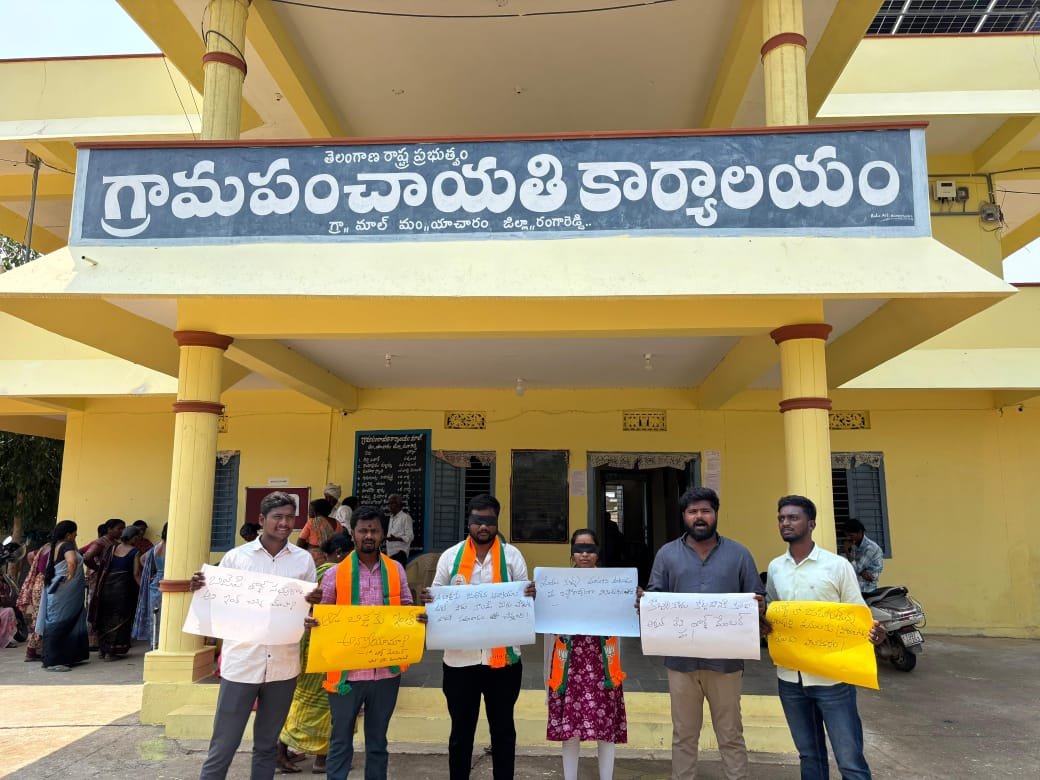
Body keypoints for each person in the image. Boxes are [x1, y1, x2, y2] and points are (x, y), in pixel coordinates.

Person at [194, 491, 318, 780]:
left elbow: (308, 608)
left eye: (290, 517)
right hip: (242, 663)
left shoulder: (303, 561)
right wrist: (202, 589)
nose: (285, 523)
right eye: (277, 517)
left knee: (267, 745)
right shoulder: (236, 558)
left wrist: (312, 613)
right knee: (224, 744)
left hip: (283, 666)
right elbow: (216, 604)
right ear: (262, 520)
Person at [642, 486, 764, 780]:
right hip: (681, 663)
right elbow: (656, 597)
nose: (699, 517)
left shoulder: (739, 554)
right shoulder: (667, 554)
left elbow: (758, 597)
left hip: (726, 663)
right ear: (683, 516)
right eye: (692, 511)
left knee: (731, 733)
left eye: (705, 511)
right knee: (683, 735)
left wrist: (759, 606)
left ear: (715, 514)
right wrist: (645, 602)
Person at [766, 495, 887, 780]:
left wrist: (874, 633)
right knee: (809, 755)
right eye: (781, 518)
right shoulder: (775, 568)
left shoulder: (837, 566)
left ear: (811, 524)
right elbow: (773, 612)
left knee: (850, 760)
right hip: (790, 679)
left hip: (832, 680)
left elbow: (857, 615)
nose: (785, 523)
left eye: (793, 517)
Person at [423, 494, 536, 780]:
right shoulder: (451, 557)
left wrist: (530, 596)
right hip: (460, 662)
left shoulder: (512, 557)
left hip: (504, 662)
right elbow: (436, 597)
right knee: (461, 732)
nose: (483, 526)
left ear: (496, 522)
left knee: (503, 730)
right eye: (477, 520)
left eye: (489, 521)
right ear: (468, 522)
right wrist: (429, 603)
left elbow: (525, 601)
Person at [320, 509, 420, 780]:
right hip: (346, 674)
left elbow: (406, 608)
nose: (368, 535)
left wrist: (417, 619)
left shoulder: (395, 569)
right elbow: (323, 616)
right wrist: (312, 620)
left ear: (382, 534)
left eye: (374, 530)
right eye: (363, 530)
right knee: (340, 740)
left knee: (377, 742)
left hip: (385, 671)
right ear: (352, 533)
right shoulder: (335, 574)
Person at [546, 528, 627, 780]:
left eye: (589, 548)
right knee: (570, 727)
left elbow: (623, 615)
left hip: (602, 660)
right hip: (570, 660)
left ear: (597, 552)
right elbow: (549, 618)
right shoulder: (558, 584)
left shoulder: (612, 584)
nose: (584, 554)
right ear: (572, 552)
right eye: (579, 549)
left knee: (605, 726)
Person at [278, 533, 354, 774]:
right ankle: (314, 757)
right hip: (324, 646)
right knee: (326, 702)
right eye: (350, 554)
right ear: (340, 553)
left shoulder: (317, 572)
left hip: (313, 645)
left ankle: (301, 752)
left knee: (308, 700)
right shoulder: (335, 572)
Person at [35, 521, 89, 672]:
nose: (76, 534)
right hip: (65, 592)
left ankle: (68, 657)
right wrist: (70, 579)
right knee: (58, 623)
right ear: (68, 534)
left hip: (59, 590)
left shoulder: (58, 545)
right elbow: (72, 562)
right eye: (74, 532)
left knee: (60, 622)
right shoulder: (66, 546)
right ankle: (54, 661)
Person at [90, 524, 143, 659]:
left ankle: (103, 650)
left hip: (106, 587)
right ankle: (112, 651)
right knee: (120, 619)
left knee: (105, 617)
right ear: (133, 537)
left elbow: (102, 566)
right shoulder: (135, 552)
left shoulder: (111, 548)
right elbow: (136, 574)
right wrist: (144, 589)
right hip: (123, 589)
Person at [82, 518, 125, 650]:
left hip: (110, 581)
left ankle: (106, 639)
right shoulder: (101, 542)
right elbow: (87, 557)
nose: (121, 531)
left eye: (123, 529)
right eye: (119, 528)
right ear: (109, 529)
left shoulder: (116, 543)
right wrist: (97, 568)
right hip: (98, 580)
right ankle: (92, 641)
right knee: (96, 607)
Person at [17, 534, 52, 661]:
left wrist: (36, 568)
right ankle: (32, 650)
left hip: (38, 583)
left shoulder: (43, 549)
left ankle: (35, 650)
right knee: (41, 619)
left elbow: (29, 556)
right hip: (45, 585)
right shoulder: (54, 549)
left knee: (37, 618)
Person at [132, 522, 166, 649]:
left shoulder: (156, 547)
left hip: (156, 582)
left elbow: (142, 559)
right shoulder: (174, 547)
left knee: (155, 615)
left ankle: (154, 643)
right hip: (170, 581)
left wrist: (153, 572)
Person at [297, 498, 344, 565]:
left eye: (310, 510)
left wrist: (299, 557)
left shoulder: (312, 522)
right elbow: (340, 540)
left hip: (314, 557)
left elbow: (300, 542)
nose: (308, 512)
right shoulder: (337, 522)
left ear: (316, 511)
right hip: (331, 557)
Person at [844, 519, 884, 594]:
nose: (848, 538)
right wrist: (862, 572)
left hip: (866, 588)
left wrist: (846, 551)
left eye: (851, 535)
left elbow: (857, 568)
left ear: (860, 532)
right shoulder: (854, 545)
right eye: (846, 535)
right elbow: (848, 566)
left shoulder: (871, 548)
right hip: (854, 583)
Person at [385, 494, 414, 567]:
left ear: (398, 505)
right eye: (389, 503)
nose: (389, 506)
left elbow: (410, 536)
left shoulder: (405, 517)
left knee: (399, 573)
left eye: (392, 503)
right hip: (390, 553)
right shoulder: (391, 518)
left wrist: (396, 539)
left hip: (400, 553)